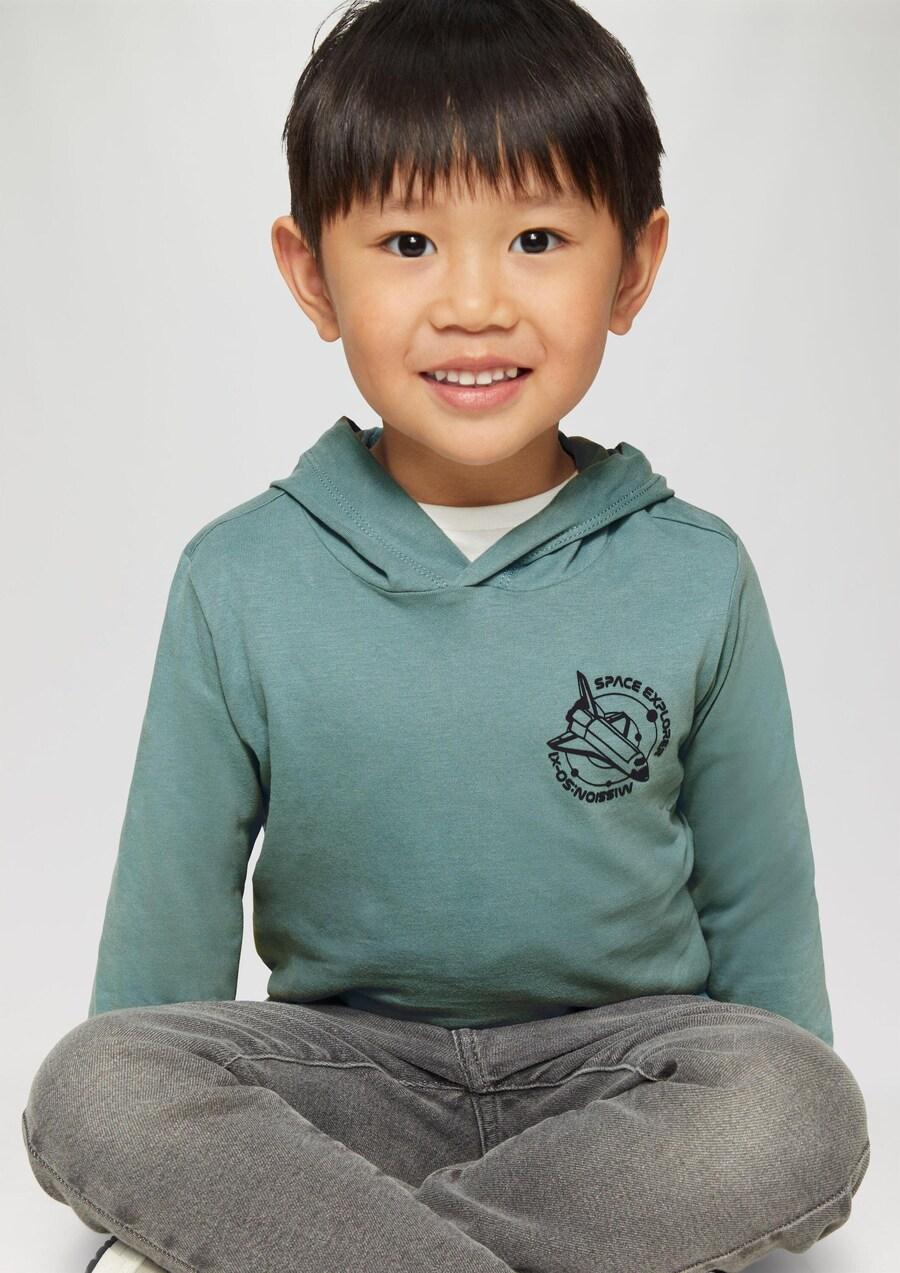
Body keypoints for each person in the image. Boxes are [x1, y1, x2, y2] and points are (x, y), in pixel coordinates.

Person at [22, 1, 870, 1271]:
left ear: (633, 267)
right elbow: (164, 946)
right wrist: (150, 1132)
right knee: (95, 1082)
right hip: (343, 1086)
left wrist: (768, 1140)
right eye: (409, 242)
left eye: (537, 239)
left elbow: (761, 909)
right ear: (314, 274)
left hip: (617, 1084)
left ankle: (336, 1249)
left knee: (798, 1102)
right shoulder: (238, 577)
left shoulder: (696, 571)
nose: (474, 303)